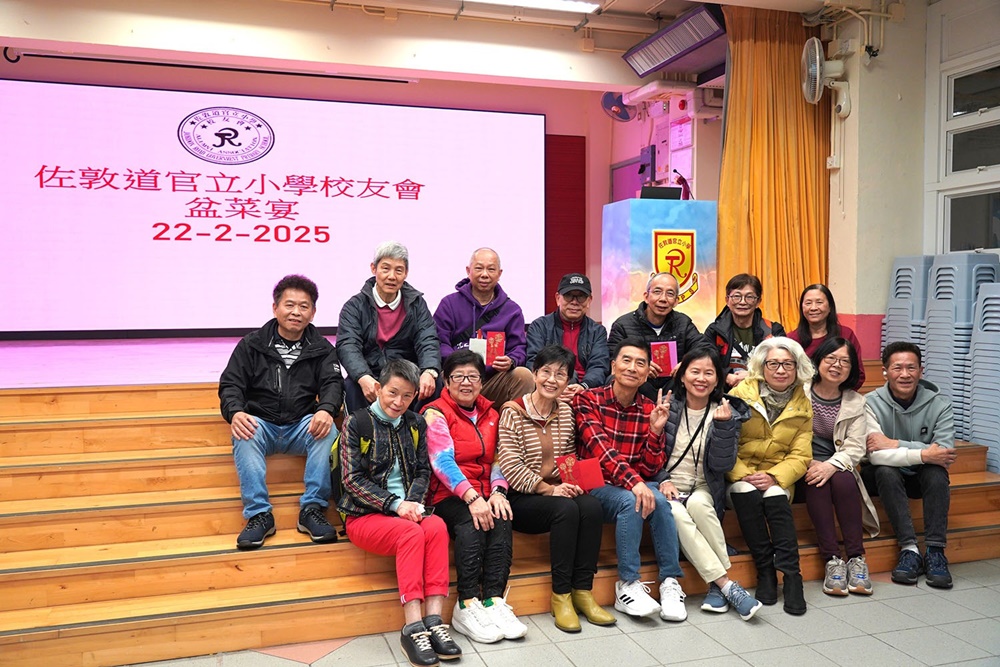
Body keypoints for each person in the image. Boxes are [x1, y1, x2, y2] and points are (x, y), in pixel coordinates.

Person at [337, 359, 462, 667]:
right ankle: (413, 627)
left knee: (437, 528)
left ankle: (434, 621)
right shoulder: (357, 423)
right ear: (379, 388)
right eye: (393, 392)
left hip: (408, 511)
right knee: (411, 534)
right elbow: (351, 480)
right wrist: (396, 505)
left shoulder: (416, 424)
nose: (398, 402)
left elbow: (423, 471)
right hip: (364, 515)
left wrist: (414, 503)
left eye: (407, 396)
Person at [496, 344, 616, 633]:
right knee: (565, 510)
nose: (552, 380)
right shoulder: (513, 411)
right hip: (522, 497)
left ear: (568, 380)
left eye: (560, 374)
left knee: (591, 506)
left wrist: (570, 484)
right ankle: (560, 595)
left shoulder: (566, 412)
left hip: (557, 490)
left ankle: (583, 591)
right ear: (535, 374)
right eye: (546, 372)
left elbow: (568, 457)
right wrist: (548, 489)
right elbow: (510, 464)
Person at [219, 274, 343, 550]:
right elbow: (231, 385)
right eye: (289, 305)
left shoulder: (322, 349)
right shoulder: (252, 345)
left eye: (304, 306)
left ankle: (312, 509)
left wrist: (326, 409)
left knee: (329, 431)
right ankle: (259, 515)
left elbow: (333, 384)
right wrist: (235, 412)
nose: (296, 312)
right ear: (275, 308)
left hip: (301, 425)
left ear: (313, 312)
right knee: (244, 431)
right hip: (262, 423)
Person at [573, 337, 687, 623]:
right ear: (613, 366)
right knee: (631, 500)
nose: (632, 368)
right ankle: (627, 584)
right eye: (626, 360)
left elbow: (650, 467)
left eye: (640, 363)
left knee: (660, 501)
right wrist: (635, 483)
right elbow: (601, 450)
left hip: (630, 482)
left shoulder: (649, 407)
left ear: (648, 372)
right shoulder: (588, 399)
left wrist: (656, 431)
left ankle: (670, 581)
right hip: (593, 483)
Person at [421, 350, 527, 643]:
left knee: (502, 516)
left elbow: (499, 459)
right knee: (472, 520)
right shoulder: (435, 412)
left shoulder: (492, 413)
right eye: (458, 376)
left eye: (473, 376)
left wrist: (498, 492)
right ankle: (466, 603)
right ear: (446, 381)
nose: (466, 383)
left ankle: (493, 600)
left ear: (482, 381)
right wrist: (471, 497)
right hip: (445, 495)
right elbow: (441, 461)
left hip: (484, 491)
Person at [655, 348, 763, 621]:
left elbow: (722, 466)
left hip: (704, 486)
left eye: (709, 373)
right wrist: (662, 479)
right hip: (668, 485)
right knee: (676, 513)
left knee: (701, 507)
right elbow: (647, 457)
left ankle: (718, 586)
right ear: (682, 377)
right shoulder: (666, 406)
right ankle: (725, 584)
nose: (701, 378)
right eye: (694, 371)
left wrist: (724, 428)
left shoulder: (727, 412)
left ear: (717, 380)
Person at [726, 338, 813, 616]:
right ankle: (765, 570)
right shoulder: (739, 394)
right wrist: (746, 475)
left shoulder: (803, 403)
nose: (781, 370)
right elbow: (724, 444)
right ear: (762, 367)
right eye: (773, 363)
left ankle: (792, 575)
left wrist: (774, 477)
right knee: (747, 492)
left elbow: (801, 455)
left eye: (788, 364)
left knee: (774, 495)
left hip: (778, 476)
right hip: (740, 476)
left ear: (797, 368)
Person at [863, 341, 957, 589]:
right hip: (881, 477)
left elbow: (944, 452)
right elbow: (875, 454)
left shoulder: (940, 404)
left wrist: (895, 444)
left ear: (921, 371)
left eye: (911, 367)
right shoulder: (869, 403)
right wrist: (925, 452)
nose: (905, 374)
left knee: (936, 472)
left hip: (919, 476)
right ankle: (909, 549)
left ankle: (936, 551)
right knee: (885, 470)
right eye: (897, 368)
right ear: (885, 371)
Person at [802, 338, 879, 596]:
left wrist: (830, 465)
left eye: (845, 361)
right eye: (831, 359)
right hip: (801, 462)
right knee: (816, 481)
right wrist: (809, 462)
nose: (837, 365)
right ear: (818, 361)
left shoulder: (856, 401)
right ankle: (832, 560)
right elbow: (787, 436)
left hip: (838, 463)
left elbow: (856, 447)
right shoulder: (799, 391)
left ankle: (856, 559)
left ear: (852, 368)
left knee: (844, 479)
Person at [338, 241, 442, 412]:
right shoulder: (354, 306)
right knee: (352, 385)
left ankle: (420, 428)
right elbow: (348, 345)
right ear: (374, 269)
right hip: (371, 372)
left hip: (407, 372)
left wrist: (429, 371)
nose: (392, 276)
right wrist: (363, 376)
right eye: (385, 269)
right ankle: (359, 429)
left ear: (406, 273)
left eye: (398, 270)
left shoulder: (416, 304)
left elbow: (427, 339)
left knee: (433, 383)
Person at [433, 248, 534, 406]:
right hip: (457, 378)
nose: (485, 274)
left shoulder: (512, 310)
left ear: (499, 273)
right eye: (479, 268)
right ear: (469, 271)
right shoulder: (449, 304)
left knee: (524, 376)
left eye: (491, 269)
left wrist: (511, 360)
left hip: (491, 379)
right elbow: (439, 342)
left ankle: (509, 420)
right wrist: (460, 365)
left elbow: (519, 347)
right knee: (436, 376)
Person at [607, 272, 710, 401]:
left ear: (676, 301)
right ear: (646, 296)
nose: (663, 299)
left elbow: (706, 348)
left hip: (673, 386)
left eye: (670, 294)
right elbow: (613, 358)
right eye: (657, 292)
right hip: (637, 385)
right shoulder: (623, 324)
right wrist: (640, 365)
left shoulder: (683, 323)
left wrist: (687, 363)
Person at [525, 273, 609, 402]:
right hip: (548, 385)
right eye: (568, 296)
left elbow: (599, 366)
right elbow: (533, 361)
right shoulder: (539, 326)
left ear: (589, 301)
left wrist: (583, 387)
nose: (574, 302)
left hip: (585, 390)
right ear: (558, 298)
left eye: (581, 297)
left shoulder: (598, 331)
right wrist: (560, 383)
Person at [704, 274, 785, 388]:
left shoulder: (773, 330)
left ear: (758, 302)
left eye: (749, 297)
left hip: (763, 391)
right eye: (737, 296)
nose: (742, 302)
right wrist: (725, 376)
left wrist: (753, 375)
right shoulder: (715, 331)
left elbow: (784, 364)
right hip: (725, 391)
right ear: (727, 300)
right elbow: (705, 362)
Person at [787, 284, 865, 389]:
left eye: (819, 302)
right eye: (808, 303)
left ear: (830, 307)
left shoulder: (846, 334)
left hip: (840, 395)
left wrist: (837, 395)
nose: (813, 308)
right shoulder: (791, 339)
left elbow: (858, 374)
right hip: (801, 396)